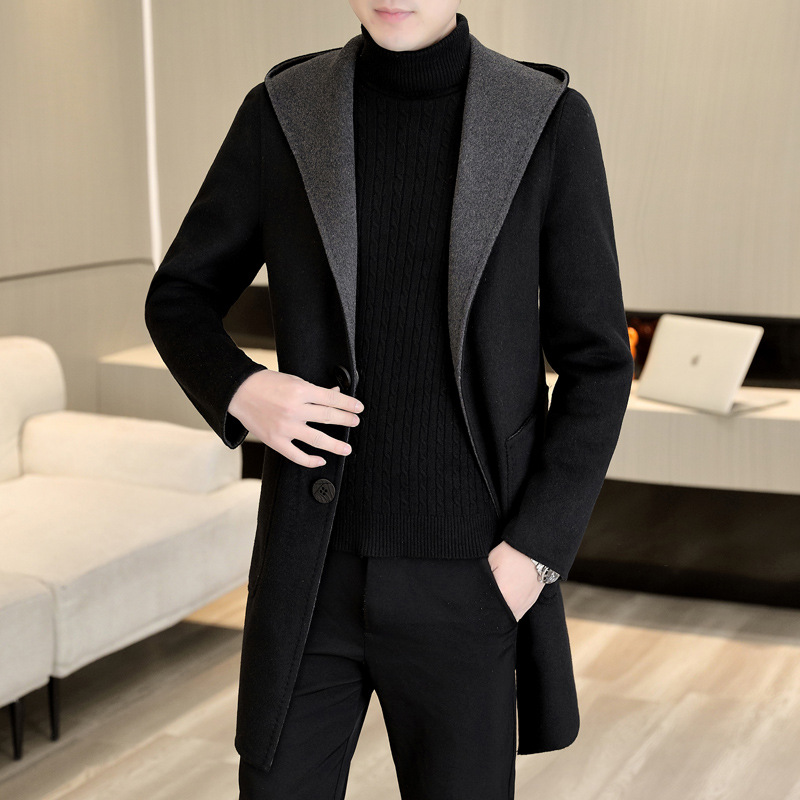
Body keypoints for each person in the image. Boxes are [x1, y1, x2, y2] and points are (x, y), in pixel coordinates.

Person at [144, 1, 634, 797]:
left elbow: (600, 365)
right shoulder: (283, 109)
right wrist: (242, 389)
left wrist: (531, 555)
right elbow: (179, 297)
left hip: (473, 574)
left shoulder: (547, 119)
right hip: (311, 572)